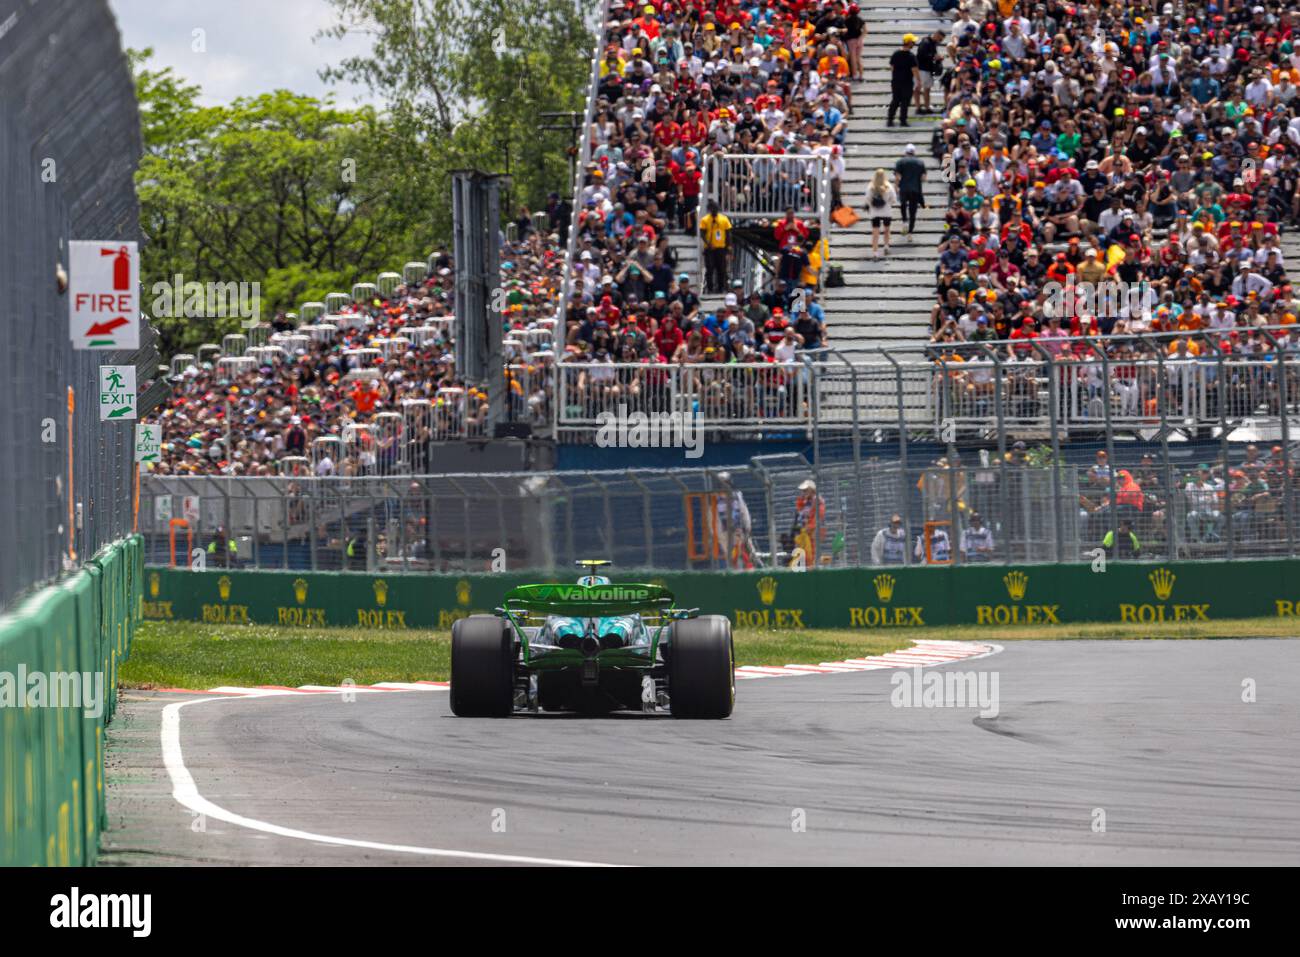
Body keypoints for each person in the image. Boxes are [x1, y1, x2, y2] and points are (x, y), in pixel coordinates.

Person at [715, 471, 753, 570]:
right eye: (722, 482)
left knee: (746, 554)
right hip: (725, 533)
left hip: (739, 531)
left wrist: (747, 528)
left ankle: (749, 572)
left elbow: (744, 511)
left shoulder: (737, 495)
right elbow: (713, 518)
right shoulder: (714, 498)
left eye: (726, 482)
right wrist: (719, 534)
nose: (724, 485)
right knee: (731, 558)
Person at [698, 200, 732, 294]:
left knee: (721, 269)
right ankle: (710, 288)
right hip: (709, 249)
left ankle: (721, 288)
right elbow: (702, 233)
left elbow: (728, 233)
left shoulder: (724, 219)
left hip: (721, 248)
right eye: (713, 209)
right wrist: (708, 243)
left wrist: (729, 247)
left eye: (716, 209)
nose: (715, 211)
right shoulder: (705, 220)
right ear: (710, 210)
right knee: (710, 268)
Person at [791, 479, 827, 565]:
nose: (803, 492)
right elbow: (799, 512)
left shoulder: (818, 501)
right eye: (803, 490)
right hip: (803, 532)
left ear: (812, 490)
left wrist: (810, 527)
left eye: (805, 490)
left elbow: (818, 516)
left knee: (811, 553)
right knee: (803, 553)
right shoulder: (805, 501)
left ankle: (813, 568)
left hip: (813, 532)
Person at [887, 34, 920, 128]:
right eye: (913, 42)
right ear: (909, 43)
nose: (914, 44)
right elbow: (915, 70)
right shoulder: (911, 56)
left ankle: (890, 120)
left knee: (895, 100)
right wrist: (918, 81)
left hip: (896, 81)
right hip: (907, 82)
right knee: (905, 101)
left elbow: (892, 67)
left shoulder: (896, 53)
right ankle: (903, 121)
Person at [864, 168, 898, 257]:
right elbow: (894, 199)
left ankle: (875, 252)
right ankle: (886, 246)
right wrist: (888, 203)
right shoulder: (889, 186)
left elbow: (867, 199)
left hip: (875, 212)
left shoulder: (871, 186)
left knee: (875, 233)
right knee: (887, 230)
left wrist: (872, 205)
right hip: (886, 211)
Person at [894, 144, 927, 236]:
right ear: (914, 152)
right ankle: (910, 232)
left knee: (903, 205)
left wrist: (896, 187)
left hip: (904, 188)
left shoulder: (900, 162)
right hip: (915, 189)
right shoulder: (920, 162)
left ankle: (904, 221)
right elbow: (923, 178)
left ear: (906, 152)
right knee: (913, 211)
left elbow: (897, 176)